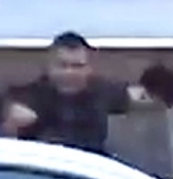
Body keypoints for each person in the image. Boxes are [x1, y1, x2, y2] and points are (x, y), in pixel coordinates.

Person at [14, 31, 151, 155]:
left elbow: (145, 98)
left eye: (77, 66)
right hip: (48, 167)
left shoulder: (105, 91)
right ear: (48, 66)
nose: (69, 73)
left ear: (89, 67)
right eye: (62, 65)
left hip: (93, 168)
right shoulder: (29, 96)